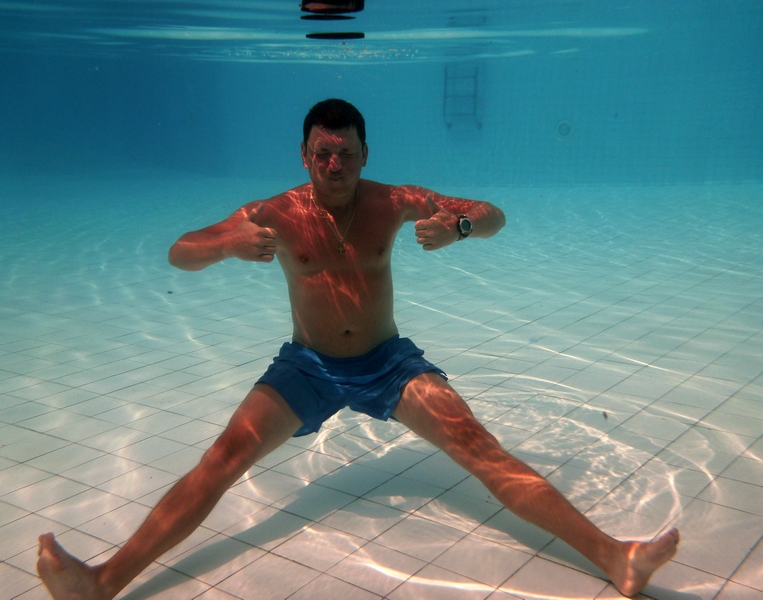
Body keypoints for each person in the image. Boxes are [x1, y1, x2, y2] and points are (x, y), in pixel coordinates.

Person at [37, 98, 678, 599]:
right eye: (322, 153)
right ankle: (102, 582)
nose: (334, 165)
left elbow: (492, 214)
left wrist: (458, 228)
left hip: (388, 363)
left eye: (345, 153)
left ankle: (614, 557)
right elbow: (180, 252)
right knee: (221, 459)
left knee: (482, 450)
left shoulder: (394, 201)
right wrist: (228, 246)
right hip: (307, 366)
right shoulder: (274, 212)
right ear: (304, 156)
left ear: (365, 153)